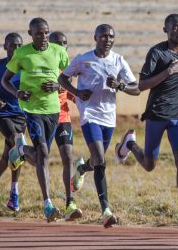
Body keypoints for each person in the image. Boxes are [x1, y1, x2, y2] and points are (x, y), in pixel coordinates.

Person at [116, 13, 178, 231]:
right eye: (174, 27)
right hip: (156, 114)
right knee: (149, 165)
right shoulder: (156, 52)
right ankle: (129, 144)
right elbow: (143, 85)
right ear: (165, 30)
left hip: (177, 115)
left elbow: (177, 77)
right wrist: (168, 71)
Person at [58, 24, 140, 228]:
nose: (108, 39)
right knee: (101, 160)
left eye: (111, 36)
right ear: (95, 37)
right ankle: (106, 210)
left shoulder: (119, 60)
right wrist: (77, 93)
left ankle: (82, 168)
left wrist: (120, 86)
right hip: (89, 115)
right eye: (103, 36)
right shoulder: (83, 59)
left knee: (96, 159)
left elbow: (136, 89)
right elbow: (62, 78)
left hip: (109, 117)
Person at [2, 17, 69, 222]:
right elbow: (5, 81)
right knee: (43, 152)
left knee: (42, 158)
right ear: (30, 34)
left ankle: (21, 150)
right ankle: (48, 204)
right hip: (31, 109)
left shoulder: (59, 52)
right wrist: (18, 93)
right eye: (39, 33)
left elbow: (67, 80)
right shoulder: (22, 54)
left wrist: (58, 87)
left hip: (53, 110)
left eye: (46, 32)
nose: (44, 36)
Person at [0, 33, 25, 211]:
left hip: (21, 114)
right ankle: (14, 194)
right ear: (5, 47)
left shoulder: (26, 66)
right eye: (12, 46)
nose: (15, 49)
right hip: (2, 113)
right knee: (18, 143)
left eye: (19, 46)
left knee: (10, 153)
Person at [48, 31, 82, 221]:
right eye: (57, 43)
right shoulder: (42, 64)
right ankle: (20, 150)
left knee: (68, 156)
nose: (62, 46)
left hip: (62, 117)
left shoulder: (67, 68)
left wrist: (79, 99)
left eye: (65, 43)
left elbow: (68, 91)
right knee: (39, 157)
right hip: (43, 117)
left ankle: (70, 203)